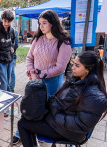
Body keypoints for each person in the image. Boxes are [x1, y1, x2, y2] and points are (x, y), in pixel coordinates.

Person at [18, 51, 107, 146]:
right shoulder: (77, 80)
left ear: (88, 69)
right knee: (28, 115)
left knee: (23, 123)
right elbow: (60, 100)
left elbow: (81, 125)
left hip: (71, 133)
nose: (72, 68)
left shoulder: (95, 96)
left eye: (77, 66)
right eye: (73, 64)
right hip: (61, 122)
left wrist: (54, 113)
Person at [13, 10, 72, 144]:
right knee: (30, 106)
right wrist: (31, 71)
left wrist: (40, 74)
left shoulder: (63, 42)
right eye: (40, 23)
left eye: (44, 23)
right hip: (35, 81)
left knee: (45, 109)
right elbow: (29, 57)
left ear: (53, 23)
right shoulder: (38, 39)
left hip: (52, 82)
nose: (41, 26)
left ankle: (40, 133)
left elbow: (60, 67)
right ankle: (20, 132)